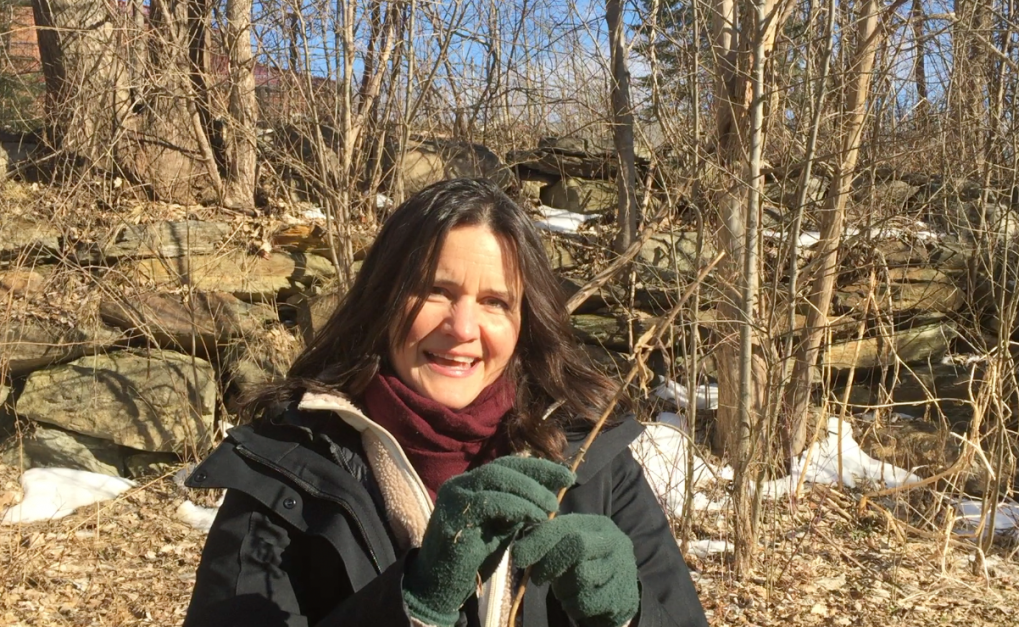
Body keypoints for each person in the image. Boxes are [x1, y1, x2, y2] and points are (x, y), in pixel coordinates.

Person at [183, 178, 708, 627]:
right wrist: (410, 606)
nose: (462, 329)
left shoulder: (593, 461)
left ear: (525, 322)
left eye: (494, 302)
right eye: (435, 291)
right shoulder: (288, 468)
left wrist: (630, 616)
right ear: (385, 299)